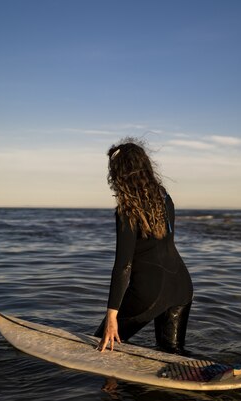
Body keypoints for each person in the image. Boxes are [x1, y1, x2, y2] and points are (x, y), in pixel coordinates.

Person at [95, 138, 193, 354]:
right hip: (181, 286)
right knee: (172, 355)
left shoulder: (127, 211)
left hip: (149, 292)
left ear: (120, 174)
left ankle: (111, 386)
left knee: (101, 345)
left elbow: (123, 266)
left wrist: (112, 316)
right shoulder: (164, 198)